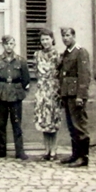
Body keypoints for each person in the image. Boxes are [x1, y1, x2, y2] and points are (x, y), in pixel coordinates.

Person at [0, 35, 30, 160]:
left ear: (14, 45)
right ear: (3, 45)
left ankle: (19, 151)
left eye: (11, 43)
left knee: (17, 123)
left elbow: (26, 79)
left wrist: (19, 90)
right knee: (1, 124)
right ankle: (1, 150)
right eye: (7, 43)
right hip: (1, 94)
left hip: (15, 94)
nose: (9, 46)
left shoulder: (21, 60)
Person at [57, 27, 91, 168]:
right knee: (72, 127)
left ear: (74, 36)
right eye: (63, 36)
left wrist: (80, 96)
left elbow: (84, 76)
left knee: (79, 126)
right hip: (67, 94)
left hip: (76, 95)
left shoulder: (80, 52)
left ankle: (83, 158)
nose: (65, 38)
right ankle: (75, 155)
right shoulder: (66, 52)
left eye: (68, 35)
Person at [33, 28, 62, 161]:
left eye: (47, 39)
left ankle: (54, 151)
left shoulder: (57, 54)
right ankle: (46, 150)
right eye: (43, 39)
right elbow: (36, 72)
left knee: (53, 121)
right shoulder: (37, 54)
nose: (45, 42)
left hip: (53, 90)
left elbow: (60, 73)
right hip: (42, 90)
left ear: (52, 39)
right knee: (44, 121)